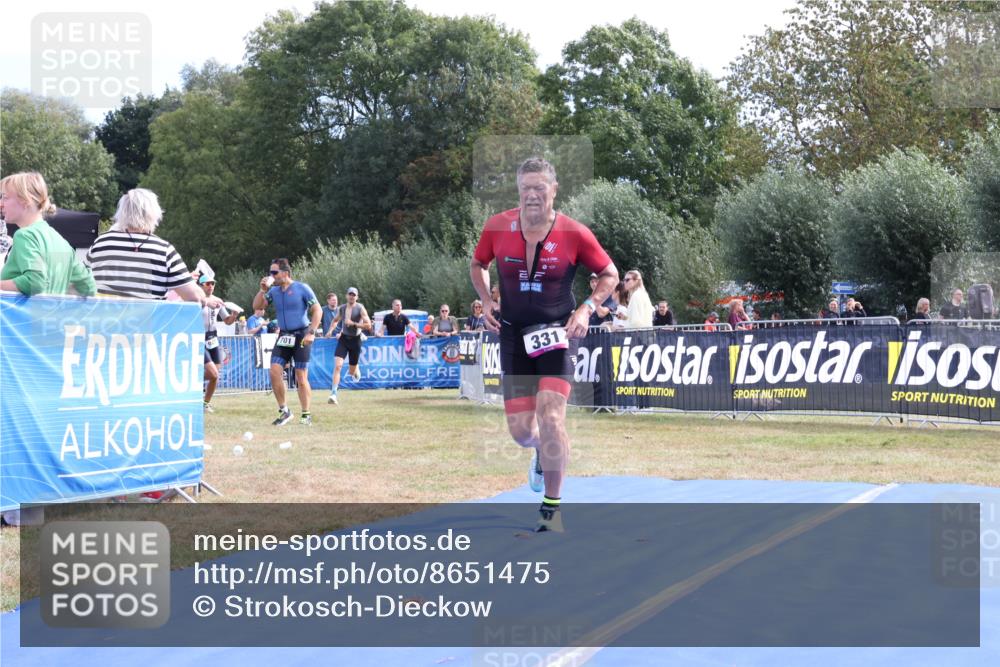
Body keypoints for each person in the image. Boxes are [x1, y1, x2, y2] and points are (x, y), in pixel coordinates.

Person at [470, 156, 617, 532]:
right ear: (517, 192)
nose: (531, 196)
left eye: (539, 188)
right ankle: (538, 450)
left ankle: (551, 508)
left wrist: (586, 309)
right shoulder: (497, 226)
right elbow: (477, 264)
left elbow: (609, 274)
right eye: (525, 189)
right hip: (514, 334)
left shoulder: (574, 233)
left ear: (554, 189)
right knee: (521, 432)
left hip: (558, 333)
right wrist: (487, 301)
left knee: (552, 416)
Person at [85, 189, 218, 307]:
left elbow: (80, 283)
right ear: (154, 214)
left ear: (122, 212)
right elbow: (195, 298)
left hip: (102, 329)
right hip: (145, 330)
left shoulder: (100, 243)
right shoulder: (164, 250)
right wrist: (200, 293)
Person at [0, 172, 96, 296]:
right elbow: (88, 287)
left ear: (25, 201)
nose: (0, 203)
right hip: (53, 314)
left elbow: (35, 282)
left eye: (5, 197)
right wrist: (55, 288)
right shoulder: (62, 243)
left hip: (21, 315)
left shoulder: (24, 235)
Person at [252, 258, 322, 426]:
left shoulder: (302, 288)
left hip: (301, 335)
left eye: (274, 272)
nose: (272, 276)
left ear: (285, 273)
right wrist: (262, 291)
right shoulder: (274, 291)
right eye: (270, 273)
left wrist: (311, 332)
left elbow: (317, 310)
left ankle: (306, 414)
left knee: (300, 376)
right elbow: (257, 306)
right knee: (274, 371)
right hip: (284, 335)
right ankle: (284, 411)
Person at [199, 275, 237, 413]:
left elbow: (227, 320)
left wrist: (234, 315)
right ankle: (192, 380)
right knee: (213, 374)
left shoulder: (217, 301)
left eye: (212, 283)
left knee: (216, 376)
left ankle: (205, 403)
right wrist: (204, 303)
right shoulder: (196, 299)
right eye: (207, 284)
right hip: (199, 338)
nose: (210, 286)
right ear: (201, 285)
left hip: (213, 338)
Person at [327, 286, 371, 405]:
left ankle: (356, 369)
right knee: (338, 366)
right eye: (350, 294)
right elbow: (335, 320)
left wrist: (354, 324)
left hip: (355, 341)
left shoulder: (360, 308)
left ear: (357, 297)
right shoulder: (341, 308)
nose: (351, 296)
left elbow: (368, 325)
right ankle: (333, 394)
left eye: (354, 295)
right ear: (346, 296)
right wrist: (330, 330)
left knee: (352, 372)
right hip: (343, 340)